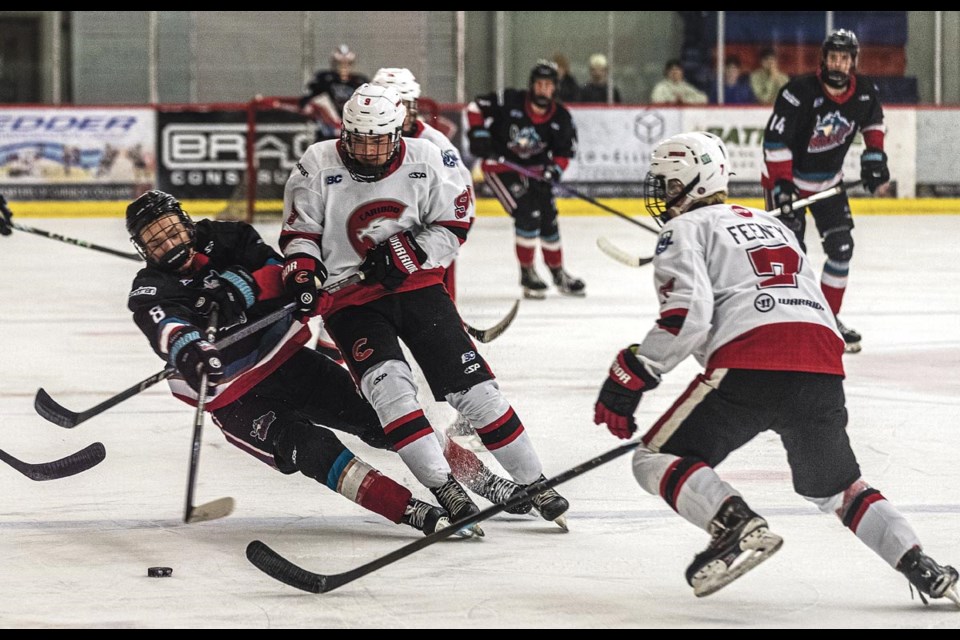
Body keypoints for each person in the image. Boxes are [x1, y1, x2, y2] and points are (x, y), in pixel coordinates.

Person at [591, 131, 959, 604]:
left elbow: (688, 316)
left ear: (688, 181)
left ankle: (733, 524)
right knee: (839, 489)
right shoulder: (774, 227)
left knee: (654, 458)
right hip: (821, 364)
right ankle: (918, 562)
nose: (660, 195)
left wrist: (634, 374)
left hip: (752, 362)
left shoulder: (683, 230)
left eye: (664, 183)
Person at [124, 190, 530, 537]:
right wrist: (194, 353)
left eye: (170, 228)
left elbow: (277, 271)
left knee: (385, 422)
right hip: (234, 399)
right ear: (143, 250)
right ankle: (411, 511)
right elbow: (168, 328)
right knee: (312, 447)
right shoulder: (150, 288)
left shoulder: (226, 237)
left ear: (185, 221)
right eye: (154, 239)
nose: (167, 241)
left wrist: (244, 287)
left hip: (290, 362)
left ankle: (484, 480)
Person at [278, 83, 571, 528]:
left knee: (477, 392)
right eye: (359, 139)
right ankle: (445, 486)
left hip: (417, 287)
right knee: (390, 393)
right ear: (345, 132)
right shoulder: (318, 162)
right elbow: (301, 234)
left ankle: (534, 481)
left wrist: (409, 252)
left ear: (397, 132)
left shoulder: (428, 156)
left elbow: (453, 224)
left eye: (379, 139)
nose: (369, 150)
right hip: (350, 302)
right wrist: (302, 272)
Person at [761, 29, 889, 354]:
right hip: (788, 180)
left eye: (844, 58)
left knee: (841, 248)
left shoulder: (865, 93)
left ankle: (828, 321)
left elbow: (874, 125)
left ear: (853, 62)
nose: (838, 63)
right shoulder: (798, 92)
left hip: (829, 183)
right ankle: (790, 324)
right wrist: (782, 183)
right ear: (823, 59)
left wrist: (874, 162)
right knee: (792, 257)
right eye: (833, 56)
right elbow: (775, 140)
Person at [466, 60, 585, 300]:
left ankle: (557, 273)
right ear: (532, 85)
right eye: (539, 84)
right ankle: (528, 273)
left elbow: (563, 153)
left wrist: (554, 172)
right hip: (500, 168)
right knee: (527, 213)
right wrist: (479, 132)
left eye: (548, 85)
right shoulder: (509, 100)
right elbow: (475, 107)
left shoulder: (561, 117)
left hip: (536, 173)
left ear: (554, 88)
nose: (543, 89)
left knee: (548, 219)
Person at [299, 44, 369, 142]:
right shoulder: (323, 79)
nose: (343, 67)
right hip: (327, 129)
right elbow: (307, 100)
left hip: (353, 128)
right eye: (340, 64)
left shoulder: (360, 81)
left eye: (347, 64)